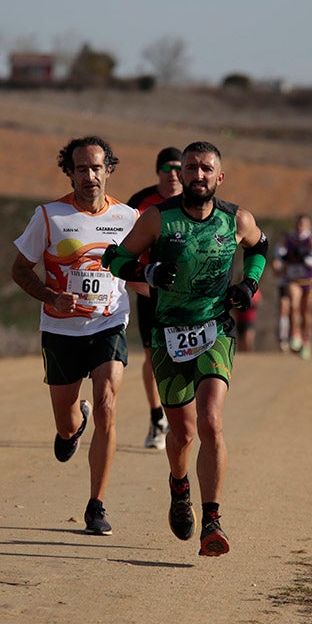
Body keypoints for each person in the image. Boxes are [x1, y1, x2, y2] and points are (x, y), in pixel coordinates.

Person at [102, 141, 268, 557]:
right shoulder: (159, 218)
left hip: (216, 329)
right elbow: (115, 259)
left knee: (210, 421)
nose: (198, 175)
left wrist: (249, 284)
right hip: (168, 333)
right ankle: (180, 487)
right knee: (183, 432)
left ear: (219, 176)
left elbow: (260, 247)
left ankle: (212, 520)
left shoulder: (236, 218)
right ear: (182, 173)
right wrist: (150, 270)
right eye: (191, 167)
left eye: (206, 169)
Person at [11, 135, 145, 536]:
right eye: (81, 168)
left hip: (109, 323)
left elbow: (138, 273)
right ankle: (72, 426)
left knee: (107, 404)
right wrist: (51, 295)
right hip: (60, 328)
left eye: (97, 167)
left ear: (109, 170)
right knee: (68, 424)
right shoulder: (50, 216)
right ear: (69, 172)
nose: (90, 175)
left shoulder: (128, 218)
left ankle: (96, 505)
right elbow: (20, 270)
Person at [126, 147, 183, 450]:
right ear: (158, 171)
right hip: (149, 290)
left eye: (178, 168)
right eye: (167, 168)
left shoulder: (194, 198)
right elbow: (122, 249)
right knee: (152, 357)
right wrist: (137, 282)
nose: (173, 174)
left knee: (184, 355)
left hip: (185, 295)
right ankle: (156, 417)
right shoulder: (140, 202)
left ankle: (182, 419)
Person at [275, 214, 312, 359]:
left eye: (303, 224)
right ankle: (296, 335)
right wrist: (282, 261)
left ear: (309, 226)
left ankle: (306, 341)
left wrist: (305, 259)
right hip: (293, 279)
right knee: (294, 305)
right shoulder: (288, 240)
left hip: (308, 281)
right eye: (298, 223)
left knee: (306, 312)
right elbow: (278, 257)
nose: (300, 226)